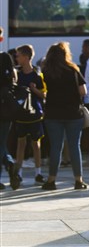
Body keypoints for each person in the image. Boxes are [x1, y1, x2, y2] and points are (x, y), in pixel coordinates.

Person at [41, 42, 88, 190]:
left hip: (53, 113)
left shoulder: (47, 71)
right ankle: (78, 180)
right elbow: (83, 91)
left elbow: (44, 91)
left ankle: (51, 180)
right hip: (73, 113)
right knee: (74, 146)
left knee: (56, 147)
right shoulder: (73, 70)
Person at [13, 45, 47, 188]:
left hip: (35, 115)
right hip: (21, 115)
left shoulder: (37, 75)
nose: (16, 58)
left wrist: (34, 89)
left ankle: (38, 173)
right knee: (20, 143)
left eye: (18, 55)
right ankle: (18, 173)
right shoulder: (16, 74)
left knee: (36, 144)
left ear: (26, 57)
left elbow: (44, 94)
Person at [0, 32, 19, 190]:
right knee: (2, 141)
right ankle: (9, 162)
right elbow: (14, 79)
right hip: (5, 106)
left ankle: (8, 164)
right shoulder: (6, 57)